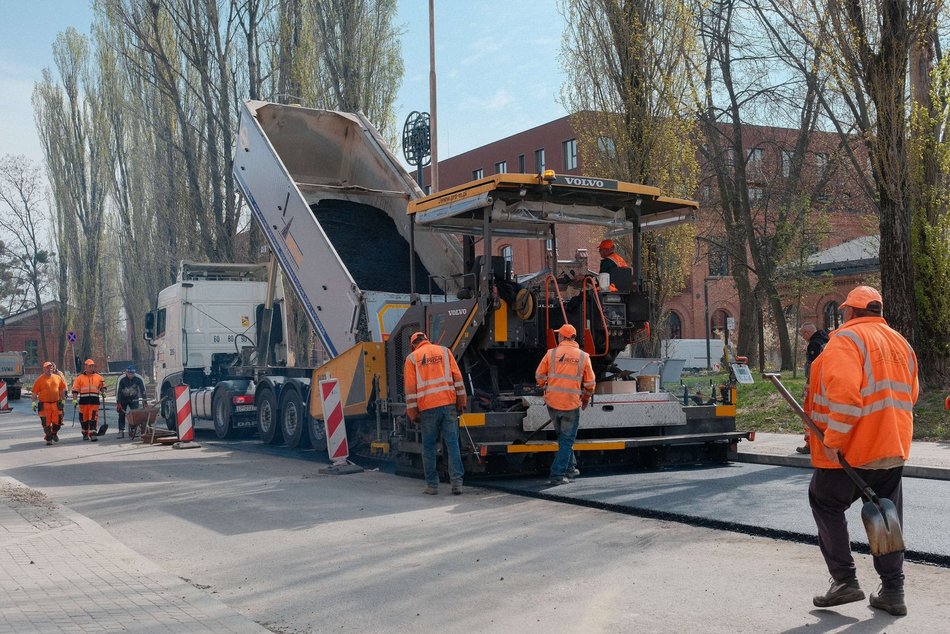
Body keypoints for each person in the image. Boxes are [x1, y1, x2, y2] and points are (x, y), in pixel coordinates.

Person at [804, 285, 918, 617]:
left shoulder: (845, 341)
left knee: (824, 501)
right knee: (886, 513)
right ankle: (893, 591)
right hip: (892, 447)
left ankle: (844, 581)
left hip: (851, 450)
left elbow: (848, 400)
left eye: (844, 312)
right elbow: (910, 395)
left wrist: (833, 441)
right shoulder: (902, 344)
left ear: (851, 312)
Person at [403, 332, 467, 495]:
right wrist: (461, 402)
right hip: (448, 405)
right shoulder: (445, 351)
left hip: (427, 409)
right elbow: (458, 378)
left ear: (413, 344)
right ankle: (457, 484)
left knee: (429, 447)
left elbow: (410, 390)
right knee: (452, 444)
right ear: (427, 339)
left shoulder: (411, 358)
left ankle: (432, 486)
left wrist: (413, 413)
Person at [535, 323, 596, 485]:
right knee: (567, 440)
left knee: (563, 438)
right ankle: (557, 475)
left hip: (552, 403)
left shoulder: (551, 353)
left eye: (558, 335)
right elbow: (590, 384)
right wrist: (585, 400)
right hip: (571, 404)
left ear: (561, 337)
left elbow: (539, 375)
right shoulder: (584, 356)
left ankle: (570, 468)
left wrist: (544, 387)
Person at [796, 322, 830, 455]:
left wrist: (808, 384)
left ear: (807, 333)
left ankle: (810, 443)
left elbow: (813, 367)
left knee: (808, 413)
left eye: (803, 334)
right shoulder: (827, 340)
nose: (803, 337)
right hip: (826, 384)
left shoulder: (814, 345)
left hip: (815, 384)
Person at [31, 362, 67, 445]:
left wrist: (63, 400)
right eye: (47, 368)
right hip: (44, 405)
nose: (49, 369)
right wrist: (33, 402)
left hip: (56, 404)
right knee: (46, 423)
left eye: (51, 368)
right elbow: (34, 392)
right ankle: (49, 438)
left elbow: (62, 389)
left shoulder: (58, 378)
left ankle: (54, 433)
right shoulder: (39, 379)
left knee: (58, 422)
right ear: (44, 369)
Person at [71, 359, 107, 442]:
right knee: (84, 419)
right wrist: (74, 399)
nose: (91, 367)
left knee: (93, 418)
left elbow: (103, 387)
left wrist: (103, 392)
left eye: (92, 366)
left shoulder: (99, 377)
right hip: (84, 402)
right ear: (85, 366)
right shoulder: (79, 378)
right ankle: (85, 433)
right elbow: (75, 390)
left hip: (94, 402)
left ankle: (93, 433)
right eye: (90, 366)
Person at [115, 365, 147, 439]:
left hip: (134, 398)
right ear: (126, 372)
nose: (130, 375)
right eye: (129, 373)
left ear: (134, 373)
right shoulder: (122, 379)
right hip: (123, 398)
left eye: (132, 374)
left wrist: (145, 402)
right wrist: (118, 402)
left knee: (135, 414)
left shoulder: (139, 378)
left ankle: (134, 429)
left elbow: (143, 390)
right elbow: (118, 391)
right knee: (121, 414)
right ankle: (121, 430)